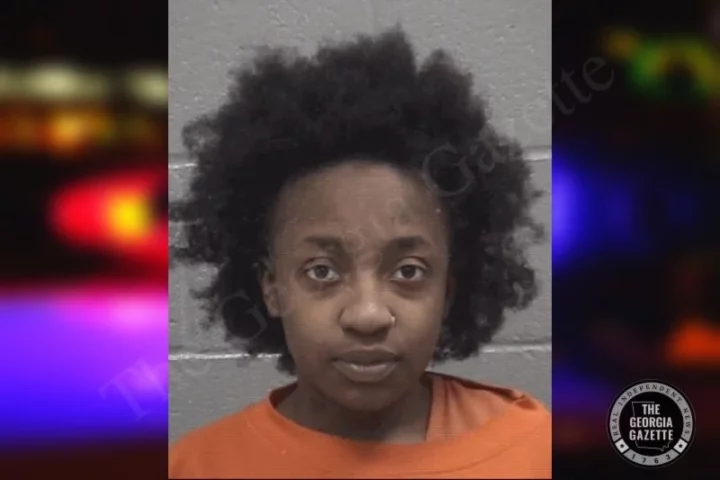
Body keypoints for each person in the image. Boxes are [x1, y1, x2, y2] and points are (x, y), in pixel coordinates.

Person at [169, 26, 550, 479]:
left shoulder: (533, 450)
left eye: (408, 271)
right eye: (322, 271)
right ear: (271, 287)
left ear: (447, 291)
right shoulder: (197, 466)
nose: (368, 315)